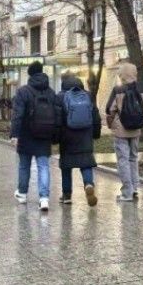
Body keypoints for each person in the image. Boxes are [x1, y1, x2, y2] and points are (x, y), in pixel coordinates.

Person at [10, 61, 60, 212]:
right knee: (43, 166)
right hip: (45, 135)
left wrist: (14, 134)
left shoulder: (23, 91)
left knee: (24, 165)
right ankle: (44, 199)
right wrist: (55, 135)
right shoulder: (51, 92)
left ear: (30, 74)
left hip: (26, 134)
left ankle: (22, 194)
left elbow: (18, 115)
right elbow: (57, 114)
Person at [105, 62, 143, 202]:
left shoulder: (118, 90)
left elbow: (109, 109)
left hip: (120, 131)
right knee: (133, 158)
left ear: (121, 75)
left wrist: (113, 122)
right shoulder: (140, 89)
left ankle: (127, 192)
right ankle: (134, 188)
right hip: (136, 130)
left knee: (123, 160)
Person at [56, 73, 101, 206]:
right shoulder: (87, 96)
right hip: (85, 136)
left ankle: (67, 195)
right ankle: (88, 184)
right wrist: (96, 134)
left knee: (66, 166)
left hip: (67, 137)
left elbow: (57, 120)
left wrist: (56, 137)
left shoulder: (60, 97)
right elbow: (96, 116)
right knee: (86, 164)